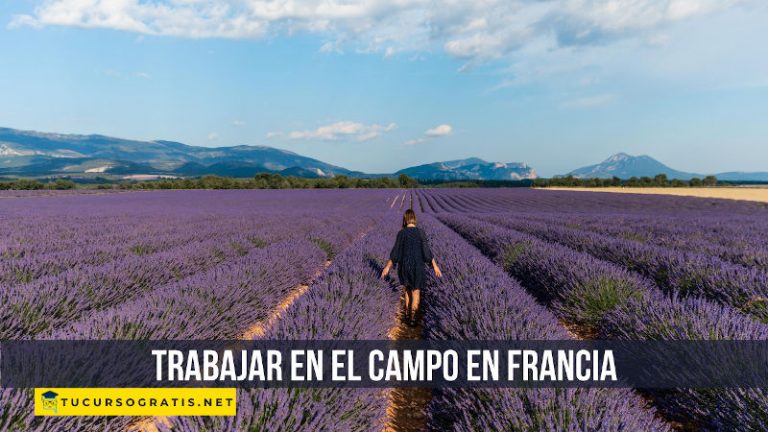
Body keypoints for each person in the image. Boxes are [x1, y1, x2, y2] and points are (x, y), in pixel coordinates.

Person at [380, 209, 443, 326]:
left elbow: (395, 253)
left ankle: (407, 315)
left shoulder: (401, 233)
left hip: (404, 267)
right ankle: (413, 318)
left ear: (405, 219)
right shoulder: (420, 232)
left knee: (407, 291)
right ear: (414, 219)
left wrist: (387, 267)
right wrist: (435, 266)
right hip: (417, 266)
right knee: (416, 292)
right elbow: (426, 252)